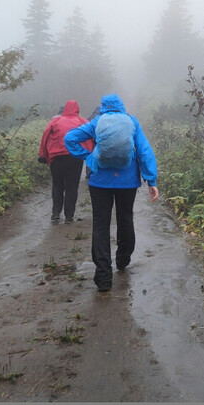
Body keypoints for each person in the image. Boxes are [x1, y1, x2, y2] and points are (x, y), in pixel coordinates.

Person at [64, 94, 159, 292]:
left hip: (100, 182)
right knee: (125, 219)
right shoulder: (131, 121)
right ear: (121, 107)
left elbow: (70, 138)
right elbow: (144, 150)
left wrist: (88, 157)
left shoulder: (97, 121)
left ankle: (103, 277)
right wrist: (152, 180)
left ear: (104, 108)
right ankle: (123, 260)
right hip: (128, 181)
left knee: (101, 225)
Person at [38, 100, 93, 222]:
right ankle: (69, 215)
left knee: (57, 184)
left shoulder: (55, 121)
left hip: (57, 157)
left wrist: (43, 155)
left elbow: (45, 136)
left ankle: (56, 212)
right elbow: (91, 137)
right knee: (72, 186)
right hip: (75, 157)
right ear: (77, 109)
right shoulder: (82, 121)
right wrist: (90, 154)